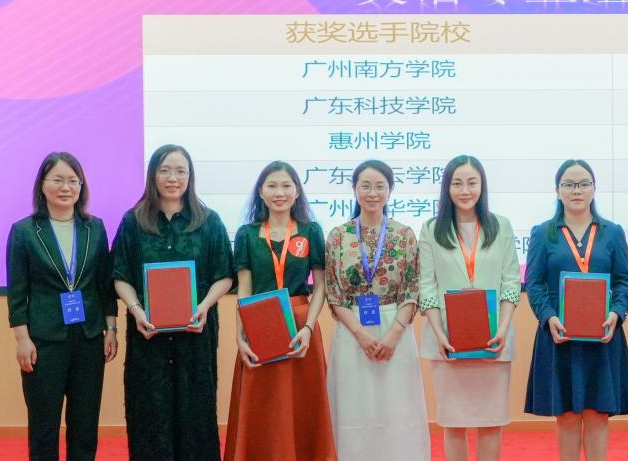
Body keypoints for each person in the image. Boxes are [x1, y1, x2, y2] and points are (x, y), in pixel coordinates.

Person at [111, 144, 233, 461]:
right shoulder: (133, 221)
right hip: (147, 335)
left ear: (190, 176)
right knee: (149, 413)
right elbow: (119, 274)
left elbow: (224, 275)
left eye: (180, 171)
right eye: (164, 170)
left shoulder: (209, 221)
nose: (172, 178)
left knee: (196, 412)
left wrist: (204, 306)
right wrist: (136, 310)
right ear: (153, 175)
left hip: (196, 334)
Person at [6, 152, 118, 461]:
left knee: (85, 424)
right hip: (44, 340)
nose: (65, 187)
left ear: (81, 186)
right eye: (57, 179)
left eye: (72, 180)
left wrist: (111, 328)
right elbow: (17, 292)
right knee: (44, 426)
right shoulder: (25, 231)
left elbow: (104, 284)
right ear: (42, 185)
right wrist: (22, 339)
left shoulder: (95, 228)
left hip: (89, 337)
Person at [525, 159, 628, 461]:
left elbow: (624, 280)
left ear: (594, 189)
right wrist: (548, 317)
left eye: (584, 184)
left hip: (603, 334)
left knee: (598, 415)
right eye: (569, 184)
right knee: (567, 416)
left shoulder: (612, 232)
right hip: (559, 335)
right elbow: (534, 283)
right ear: (557, 190)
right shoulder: (543, 233)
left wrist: (617, 313)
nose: (577, 190)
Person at [224, 161, 336, 461]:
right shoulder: (247, 234)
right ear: (261, 192)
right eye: (272, 186)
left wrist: (309, 327)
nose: (279, 193)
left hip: (300, 327)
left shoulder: (311, 231)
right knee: (263, 405)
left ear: (297, 191)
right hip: (259, 324)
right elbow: (244, 288)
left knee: (302, 404)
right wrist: (240, 336)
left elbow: (321, 286)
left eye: (286, 185)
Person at [324, 159, 429, 460]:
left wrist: (394, 334)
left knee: (398, 409)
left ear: (390, 190)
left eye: (380, 186)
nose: (373, 193)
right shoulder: (338, 236)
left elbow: (412, 289)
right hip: (352, 331)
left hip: (396, 329)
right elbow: (334, 293)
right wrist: (360, 334)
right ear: (354, 189)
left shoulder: (404, 235)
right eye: (366, 186)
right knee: (354, 408)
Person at [419, 156, 522, 461]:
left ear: (482, 186)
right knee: (453, 423)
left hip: (493, 339)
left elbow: (511, 282)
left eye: (472, 183)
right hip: (448, 340)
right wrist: (440, 334)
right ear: (447, 187)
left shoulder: (501, 226)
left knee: (491, 422)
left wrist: (502, 328)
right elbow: (427, 287)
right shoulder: (432, 229)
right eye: (457, 183)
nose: (465, 190)